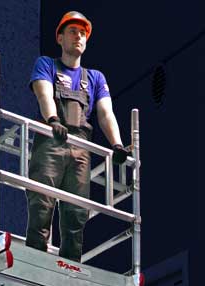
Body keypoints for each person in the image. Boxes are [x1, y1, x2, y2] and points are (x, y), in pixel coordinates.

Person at [25, 11, 129, 261]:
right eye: (72, 31)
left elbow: (105, 113)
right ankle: (36, 262)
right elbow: (44, 94)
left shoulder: (95, 78)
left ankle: (71, 269)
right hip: (52, 141)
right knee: (42, 204)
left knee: (76, 212)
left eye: (82, 33)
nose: (78, 36)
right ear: (60, 38)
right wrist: (53, 119)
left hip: (80, 148)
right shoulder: (47, 65)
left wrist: (117, 144)